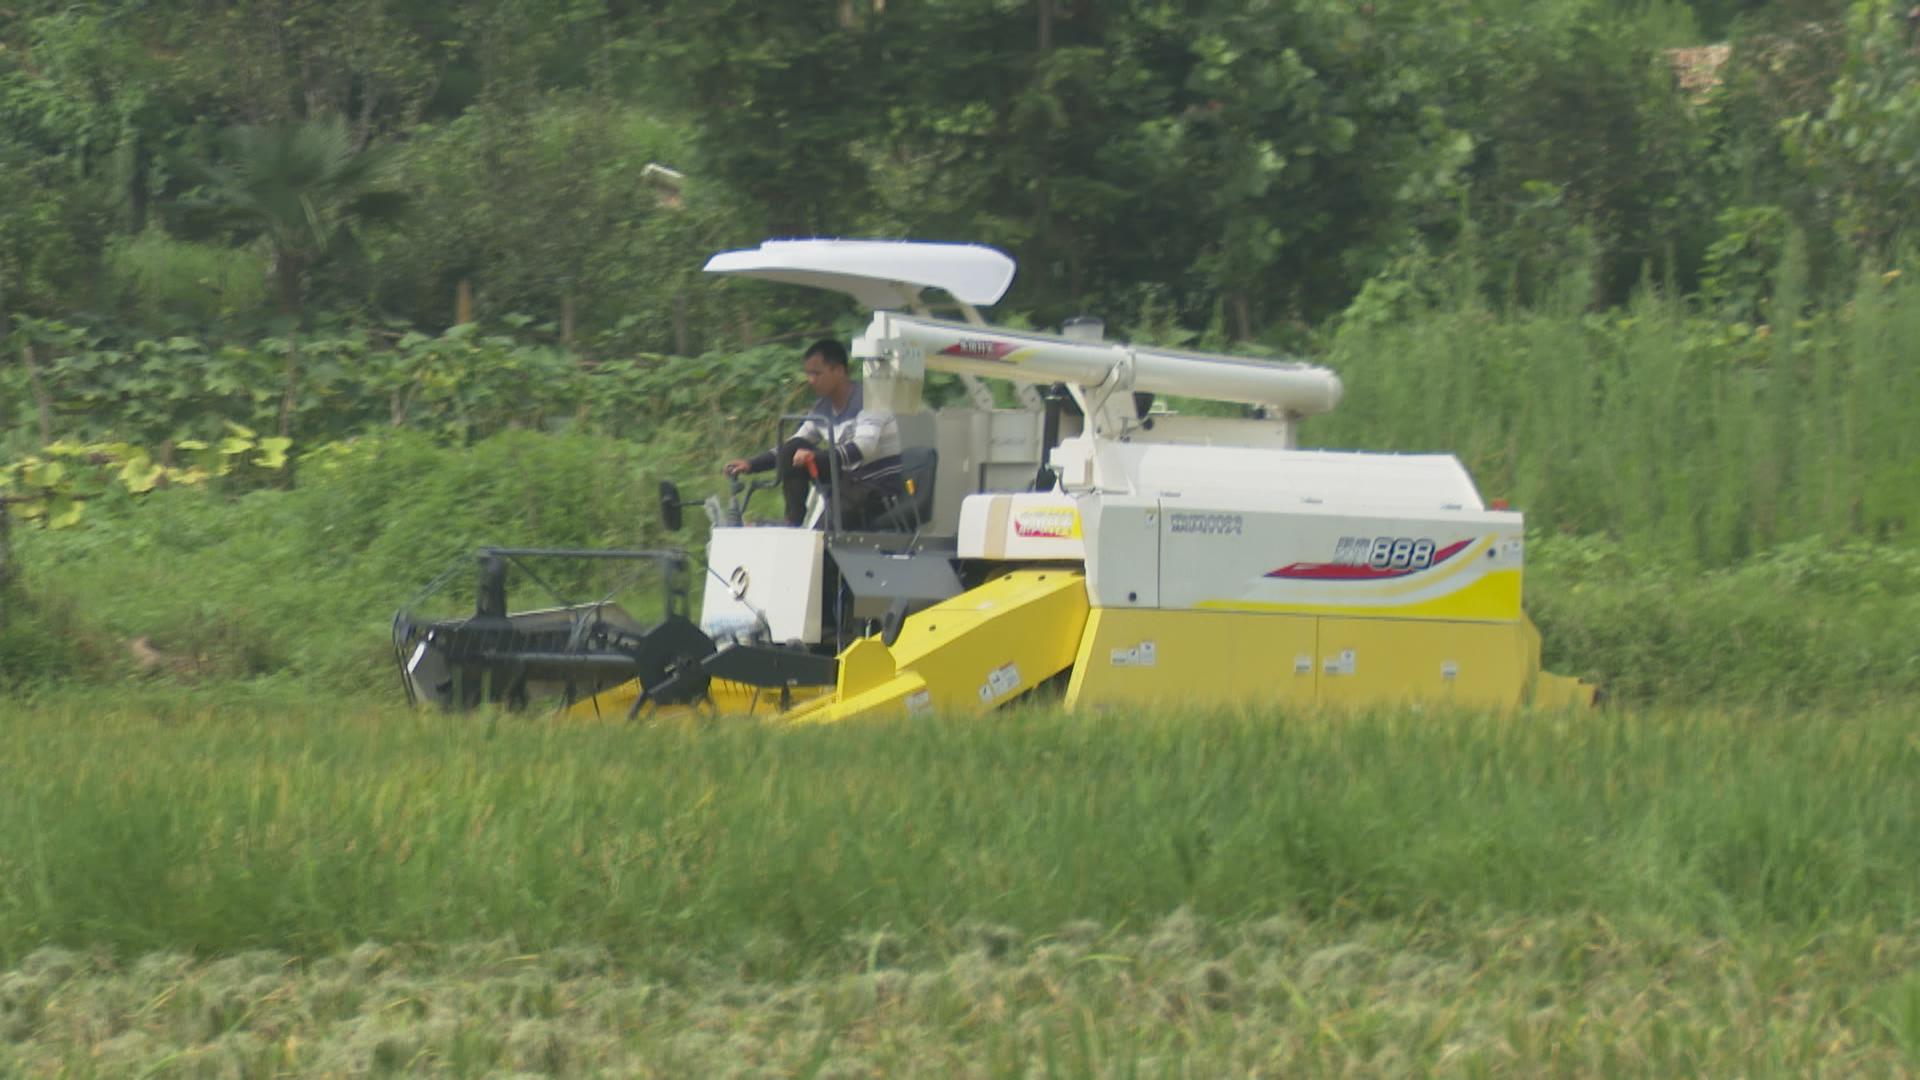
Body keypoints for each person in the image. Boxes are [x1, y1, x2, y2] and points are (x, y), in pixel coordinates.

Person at [726, 339, 905, 528]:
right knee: (794, 447)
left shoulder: (871, 400)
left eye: (817, 373)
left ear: (839, 371)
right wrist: (751, 464)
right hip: (848, 482)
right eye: (808, 374)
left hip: (876, 487)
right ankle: (792, 521)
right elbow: (795, 442)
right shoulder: (822, 408)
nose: (811, 380)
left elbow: (863, 449)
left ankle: (814, 535)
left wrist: (815, 457)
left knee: (820, 538)